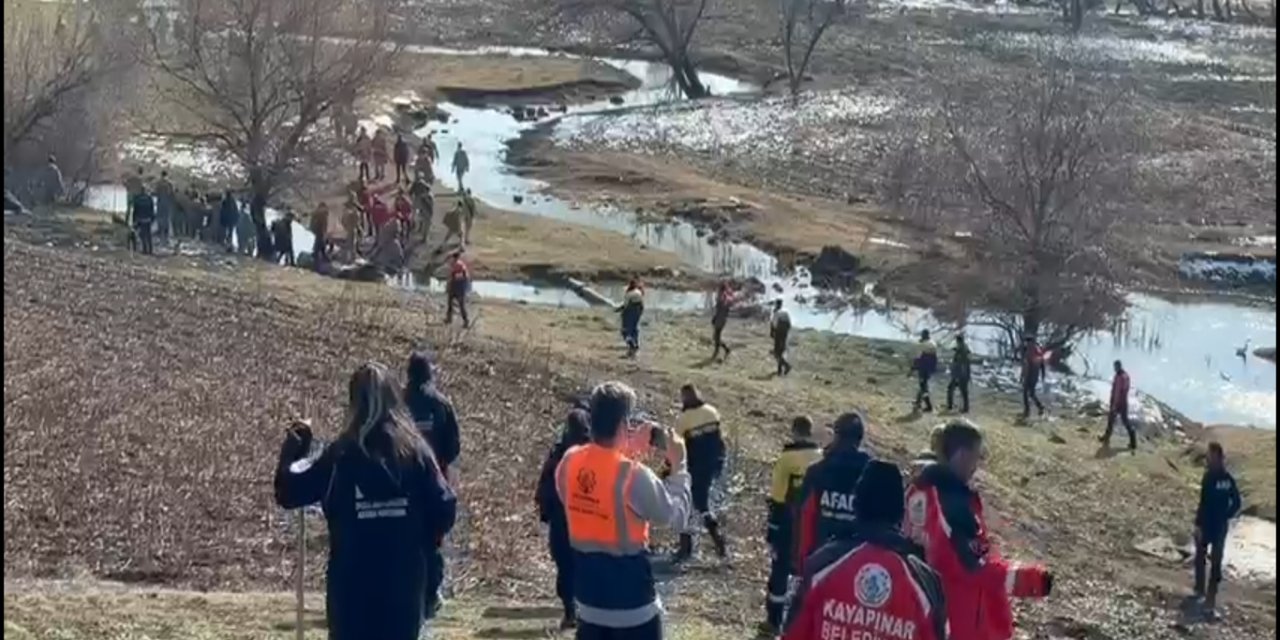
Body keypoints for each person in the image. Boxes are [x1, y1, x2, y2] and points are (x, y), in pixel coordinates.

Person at [273, 362, 457, 640]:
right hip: (403, 590)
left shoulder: (341, 455)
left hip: (351, 592)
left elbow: (290, 491)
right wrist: (416, 539)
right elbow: (444, 509)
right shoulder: (416, 454)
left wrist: (296, 446)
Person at [555, 381, 692, 640]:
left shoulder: (569, 462)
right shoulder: (634, 476)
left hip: (588, 603)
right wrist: (680, 467)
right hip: (634, 608)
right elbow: (675, 517)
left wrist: (626, 449)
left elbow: (595, 486)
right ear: (622, 425)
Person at [905, 419, 1053, 640]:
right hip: (954, 617)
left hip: (924, 611)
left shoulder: (919, 490)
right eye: (976, 457)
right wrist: (1033, 579)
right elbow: (973, 566)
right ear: (963, 455)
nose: (976, 466)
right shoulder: (952, 505)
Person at [782, 460, 948, 640]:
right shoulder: (926, 583)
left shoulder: (821, 565)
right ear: (901, 513)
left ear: (857, 505)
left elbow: (793, 634)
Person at [403, 351, 463, 617]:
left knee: (405, 537)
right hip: (435, 480)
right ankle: (431, 593)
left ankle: (411, 591)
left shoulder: (397, 404)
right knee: (433, 538)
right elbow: (453, 447)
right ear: (430, 374)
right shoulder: (441, 405)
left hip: (401, 482)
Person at [761, 416, 822, 635]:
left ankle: (774, 622)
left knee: (779, 572)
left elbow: (778, 497)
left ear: (794, 431)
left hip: (788, 524)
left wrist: (772, 530)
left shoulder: (787, 459)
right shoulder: (821, 457)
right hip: (813, 526)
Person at [792, 412, 872, 569]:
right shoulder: (872, 475)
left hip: (820, 561)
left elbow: (804, 516)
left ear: (836, 436)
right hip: (859, 563)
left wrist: (801, 561)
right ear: (860, 439)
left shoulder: (817, 471)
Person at [537, 407, 592, 630]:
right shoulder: (594, 452)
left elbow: (545, 487)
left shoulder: (558, 454)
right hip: (589, 518)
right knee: (585, 566)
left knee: (565, 567)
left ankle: (570, 610)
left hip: (561, 519)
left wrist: (546, 512)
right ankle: (584, 610)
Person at [672, 385, 729, 564]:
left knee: (687, 504)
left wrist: (669, 468)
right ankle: (719, 544)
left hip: (695, 466)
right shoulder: (712, 411)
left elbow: (678, 446)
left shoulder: (684, 419)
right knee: (703, 501)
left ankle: (686, 547)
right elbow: (720, 438)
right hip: (714, 463)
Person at [1193, 442, 1242, 616]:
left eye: (1211, 455)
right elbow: (1204, 502)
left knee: (1214, 561)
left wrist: (1225, 516)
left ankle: (1209, 596)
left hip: (1216, 526)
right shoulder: (1215, 477)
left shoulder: (1223, 479)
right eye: (1208, 455)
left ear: (1218, 457)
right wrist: (1198, 524)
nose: (1208, 458)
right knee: (1202, 556)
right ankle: (1200, 590)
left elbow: (1236, 502)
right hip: (1210, 525)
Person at [1102, 360, 1137, 451]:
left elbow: (1119, 392)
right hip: (1121, 402)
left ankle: (1133, 441)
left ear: (1119, 366)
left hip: (1119, 403)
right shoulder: (1122, 376)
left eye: (1116, 367)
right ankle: (1106, 438)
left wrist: (1114, 404)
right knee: (1111, 420)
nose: (1115, 369)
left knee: (1123, 421)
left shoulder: (1121, 377)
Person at [911, 330, 939, 413]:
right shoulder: (933, 343)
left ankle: (928, 406)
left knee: (923, 386)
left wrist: (912, 368)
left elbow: (918, 358)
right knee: (923, 385)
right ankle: (918, 402)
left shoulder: (923, 345)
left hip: (923, 368)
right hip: (930, 368)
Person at [1020, 335, 1048, 419]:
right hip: (1034, 375)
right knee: (1031, 393)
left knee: (1026, 393)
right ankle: (1040, 407)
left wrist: (1024, 376)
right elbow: (1042, 365)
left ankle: (1027, 410)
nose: (1027, 344)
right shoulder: (1037, 351)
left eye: (1028, 342)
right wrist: (1042, 374)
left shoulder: (1030, 352)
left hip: (1031, 375)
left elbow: (1027, 365)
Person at [617, 279, 644, 358]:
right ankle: (636, 343)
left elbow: (625, 305)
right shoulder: (639, 292)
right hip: (639, 310)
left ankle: (631, 343)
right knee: (635, 327)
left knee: (626, 328)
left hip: (631, 310)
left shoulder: (629, 294)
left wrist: (619, 310)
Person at [946, 335, 972, 413]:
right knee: (961, 391)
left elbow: (962, 364)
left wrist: (960, 375)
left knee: (960, 390)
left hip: (960, 374)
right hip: (960, 374)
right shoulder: (963, 348)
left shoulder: (962, 351)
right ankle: (962, 407)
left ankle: (962, 407)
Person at [445, 251, 471, 328]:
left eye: (452, 258)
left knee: (460, 305)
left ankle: (465, 321)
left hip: (458, 286)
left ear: (454, 258)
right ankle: (449, 318)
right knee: (451, 303)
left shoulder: (458, 265)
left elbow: (459, 276)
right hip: (457, 286)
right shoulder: (458, 265)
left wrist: (450, 284)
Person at [711, 282, 734, 361]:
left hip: (719, 320)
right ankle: (722, 350)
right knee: (716, 337)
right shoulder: (725, 297)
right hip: (721, 319)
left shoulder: (722, 298)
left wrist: (715, 319)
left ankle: (722, 350)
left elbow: (720, 310)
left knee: (716, 337)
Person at [131, 185, 157, 255]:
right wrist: (152, 218)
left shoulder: (137, 199)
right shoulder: (149, 198)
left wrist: (134, 221)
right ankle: (150, 250)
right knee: (148, 235)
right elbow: (152, 210)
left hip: (140, 219)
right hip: (148, 219)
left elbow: (135, 211)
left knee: (142, 235)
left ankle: (145, 249)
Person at [770, 300, 792, 376]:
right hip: (784, 333)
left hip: (778, 333)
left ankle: (786, 366)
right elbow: (789, 325)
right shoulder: (785, 312)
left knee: (777, 352)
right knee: (781, 351)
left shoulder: (775, 312)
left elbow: (773, 323)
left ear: (776, 304)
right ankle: (779, 370)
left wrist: (772, 332)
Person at [251, 190, 273, 261]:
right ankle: (261, 253)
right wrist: (261, 222)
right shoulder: (257, 206)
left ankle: (260, 252)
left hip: (258, 223)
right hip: (259, 224)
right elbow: (257, 216)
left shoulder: (255, 203)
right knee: (260, 238)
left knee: (260, 238)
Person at [410, 176, 434, 241]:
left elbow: (429, 204)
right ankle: (423, 234)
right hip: (426, 211)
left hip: (427, 211)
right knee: (424, 222)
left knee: (426, 224)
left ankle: (424, 237)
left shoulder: (428, 196)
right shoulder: (427, 195)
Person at [154, 170, 175, 241]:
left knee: (160, 217)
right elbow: (172, 194)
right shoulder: (169, 184)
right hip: (167, 203)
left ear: (161, 175)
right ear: (166, 175)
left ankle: (160, 231)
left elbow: (155, 193)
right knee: (166, 217)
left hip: (160, 202)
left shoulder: (158, 183)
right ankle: (166, 232)